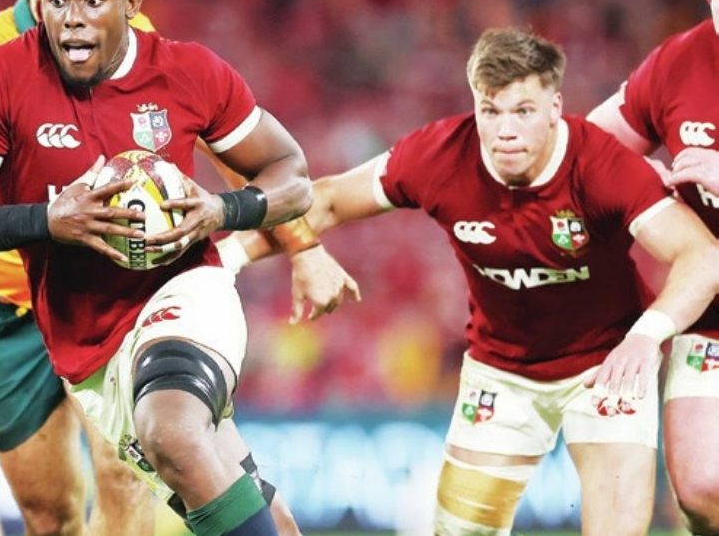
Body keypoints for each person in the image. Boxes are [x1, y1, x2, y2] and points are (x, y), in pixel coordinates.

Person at [0, 0, 315, 535]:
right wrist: (47, 220)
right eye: (56, 1)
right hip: (84, 344)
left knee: (172, 430)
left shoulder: (188, 72)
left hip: (182, 294)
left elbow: (292, 175)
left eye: (92, 1)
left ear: (132, 6)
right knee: (243, 496)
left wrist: (220, 211)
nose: (71, 20)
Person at [241, 28, 719, 535]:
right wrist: (226, 250)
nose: (506, 130)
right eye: (491, 112)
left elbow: (703, 256)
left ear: (555, 107)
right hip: (501, 372)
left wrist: (646, 336)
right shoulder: (440, 154)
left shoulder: (603, 165)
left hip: (608, 363)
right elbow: (330, 199)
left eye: (523, 111)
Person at [0, 0, 157, 536]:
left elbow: (211, 126)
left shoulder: (134, 37)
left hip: (101, 292)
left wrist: (301, 245)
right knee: (50, 513)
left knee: (125, 475)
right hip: (3, 306)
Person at [586, 0, 719, 534]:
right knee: (701, 488)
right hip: (710, 304)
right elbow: (589, 147)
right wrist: (639, 182)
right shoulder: (678, 64)